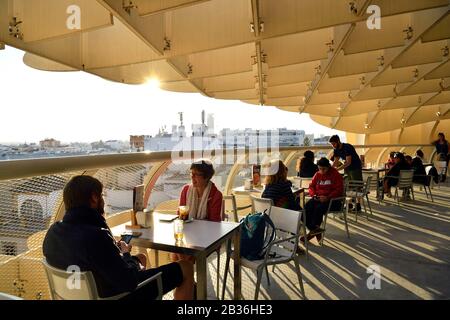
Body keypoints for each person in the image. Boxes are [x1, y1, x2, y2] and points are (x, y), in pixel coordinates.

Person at [43, 175, 194, 300]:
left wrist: (118, 252)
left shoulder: (52, 233)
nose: (103, 200)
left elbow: (90, 258)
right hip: (118, 295)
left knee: (141, 258)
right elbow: (129, 282)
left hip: (84, 294)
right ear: (94, 198)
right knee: (185, 267)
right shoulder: (96, 236)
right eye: (101, 195)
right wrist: (126, 254)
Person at [304, 158, 344, 243]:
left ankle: (313, 232)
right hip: (318, 198)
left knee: (318, 209)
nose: (321, 171)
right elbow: (311, 186)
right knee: (306, 208)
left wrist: (328, 197)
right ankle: (315, 230)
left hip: (333, 201)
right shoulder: (317, 174)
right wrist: (313, 195)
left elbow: (339, 190)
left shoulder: (335, 175)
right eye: (320, 169)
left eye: (324, 169)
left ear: (328, 167)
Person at [328, 135, 362, 211]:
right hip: (347, 168)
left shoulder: (347, 147)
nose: (333, 145)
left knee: (357, 185)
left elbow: (348, 162)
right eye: (332, 144)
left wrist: (337, 169)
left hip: (355, 166)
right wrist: (330, 170)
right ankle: (349, 204)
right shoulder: (336, 149)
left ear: (338, 141)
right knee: (348, 185)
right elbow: (335, 162)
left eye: (333, 143)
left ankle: (358, 205)